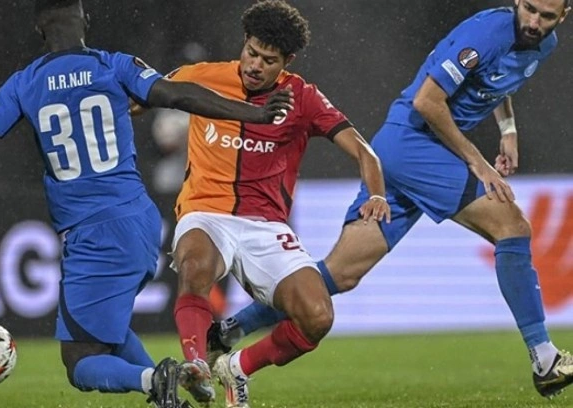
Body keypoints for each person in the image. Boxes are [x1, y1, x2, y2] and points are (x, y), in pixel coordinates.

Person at [0, 1, 293, 407]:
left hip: (94, 232)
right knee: (104, 330)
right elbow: (178, 94)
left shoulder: (25, 83)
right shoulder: (114, 64)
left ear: (41, 31)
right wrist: (254, 113)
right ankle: (167, 393)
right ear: (85, 21)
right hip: (139, 221)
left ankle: (155, 380)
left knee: (79, 362)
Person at [212, 0, 573, 400]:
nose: (534, 21)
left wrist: (508, 130)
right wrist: (478, 162)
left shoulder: (543, 44)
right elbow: (427, 101)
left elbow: (496, 83)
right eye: (530, 9)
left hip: (406, 153)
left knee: (341, 274)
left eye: (546, 16)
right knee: (512, 227)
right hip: (412, 143)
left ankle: (231, 338)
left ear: (564, 15)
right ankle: (544, 358)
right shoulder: (488, 32)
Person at [163, 1, 390, 407]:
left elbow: (364, 151)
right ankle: (196, 363)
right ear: (244, 43)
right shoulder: (200, 78)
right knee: (195, 267)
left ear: (287, 61)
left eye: (268, 60)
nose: (255, 65)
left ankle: (237, 368)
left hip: (265, 225)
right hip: (204, 212)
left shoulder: (302, 97)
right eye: (251, 52)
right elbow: (138, 97)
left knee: (317, 316)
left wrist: (376, 193)